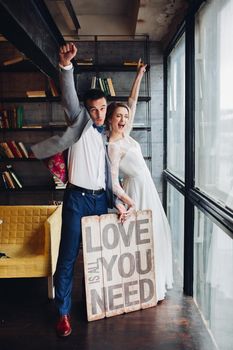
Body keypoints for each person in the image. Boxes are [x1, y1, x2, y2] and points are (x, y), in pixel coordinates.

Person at [31, 42, 127, 337]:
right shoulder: (81, 123)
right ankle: (63, 314)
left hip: (100, 201)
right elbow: (70, 98)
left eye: (102, 109)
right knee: (69, 256)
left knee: (99, 257)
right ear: (86, 111)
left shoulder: (108, 136)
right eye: (93, 110)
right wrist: (66, 66)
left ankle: (95, 305)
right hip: (76, 199)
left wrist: (118, 203)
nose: (98, 115)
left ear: (107, 108)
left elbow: (109, 175)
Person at [106, 62, 174, 301]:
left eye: (125, 116)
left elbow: (132, 102)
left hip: (148, 188)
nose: (124, 119)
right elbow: (112, 182)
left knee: (155, 234)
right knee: (140, 241)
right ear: (110, 119)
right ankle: (139, 287)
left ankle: (154, 285)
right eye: (118, 116)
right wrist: (127, 202)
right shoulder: (112, 147)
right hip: (135, 193)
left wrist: (138, 75)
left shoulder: (126, 134)